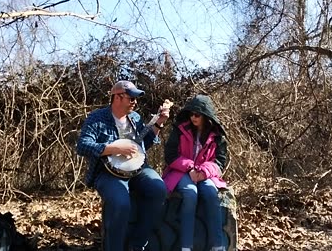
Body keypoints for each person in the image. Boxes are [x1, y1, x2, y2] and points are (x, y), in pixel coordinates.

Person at [76, 80, 169, 251]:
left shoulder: (135, 118)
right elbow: (82, 146)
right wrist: (112, 148)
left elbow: (144, 144)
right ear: (117, 97)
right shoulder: (97, 118)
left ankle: (138, 244)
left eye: (135, 99)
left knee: (158, 190)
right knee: (120, 203)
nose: (134, 102)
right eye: (131, 98)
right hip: (107, 172)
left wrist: (158, 123)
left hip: (138, 170)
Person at [162, 94, 228, 251]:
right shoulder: (180, 130)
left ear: (206, 116)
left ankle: (217, 246)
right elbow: (170, 155)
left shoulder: (217, 136)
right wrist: (190, 168)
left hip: (205, 173)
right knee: (190, 194)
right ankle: (186, 247)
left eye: (197, 114)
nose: (193, 117)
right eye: (191, 113)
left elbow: (220, 161)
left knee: (211, 193)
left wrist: (203, 172)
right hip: (180, 171)